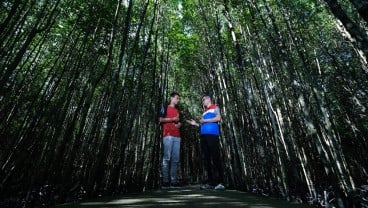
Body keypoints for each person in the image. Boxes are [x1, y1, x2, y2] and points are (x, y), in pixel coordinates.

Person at [187, 94, 225, 190]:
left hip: (212, 135)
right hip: (203, 136)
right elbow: (202, 124)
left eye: (203, 99)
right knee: (206, 159)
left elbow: (218, 118)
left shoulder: (215, 107)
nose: (202, 101)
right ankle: (210, 183)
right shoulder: (204, 112)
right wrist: (195, 124)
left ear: (208, 99)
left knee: (215, 157)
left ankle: (220, 182)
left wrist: (205, 120)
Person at [159, 92, 182, 189]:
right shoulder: (164, 107)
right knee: (167, 158)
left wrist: (179, 125)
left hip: (177, 136)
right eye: (177, 98)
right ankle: (165, 182)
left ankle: (173, 182)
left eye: (178, 98)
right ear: (171, 98)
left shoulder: (177, 110)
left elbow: (178, 122)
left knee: (175, 160)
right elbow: (160, 119)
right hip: (168, 135)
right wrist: (172, 119)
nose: (178, 100)